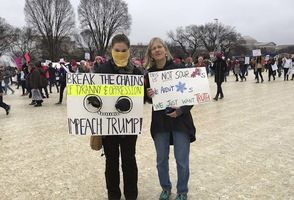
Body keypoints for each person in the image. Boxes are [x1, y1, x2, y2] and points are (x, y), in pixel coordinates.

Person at [145, 37, 196, 200]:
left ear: (165, 50)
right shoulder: (150, 74)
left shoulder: (179, 68)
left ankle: (182, 191)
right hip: (160, 122)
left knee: (181, 160)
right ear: (151, 53)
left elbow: (192, 95)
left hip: (180, 121)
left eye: (160, 47)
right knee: (161, 160)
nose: (157, 50)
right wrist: (148, 95)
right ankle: (165, 188)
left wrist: (181, 110)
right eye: (154, 48)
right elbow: (149, 99)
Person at [95, 34, 140, 200]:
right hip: (108, 126)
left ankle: (131, 195)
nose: (120, 53)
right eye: (117, 50)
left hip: (128, 126)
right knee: (111, 163)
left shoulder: (136, 72)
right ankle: (113, 195)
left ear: (129, 51)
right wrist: (95, 100)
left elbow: (141, 98)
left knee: (129, 161)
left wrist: (131, 103)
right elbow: (93, 95)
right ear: (111, 50)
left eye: (124, 50)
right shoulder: (102, 70)